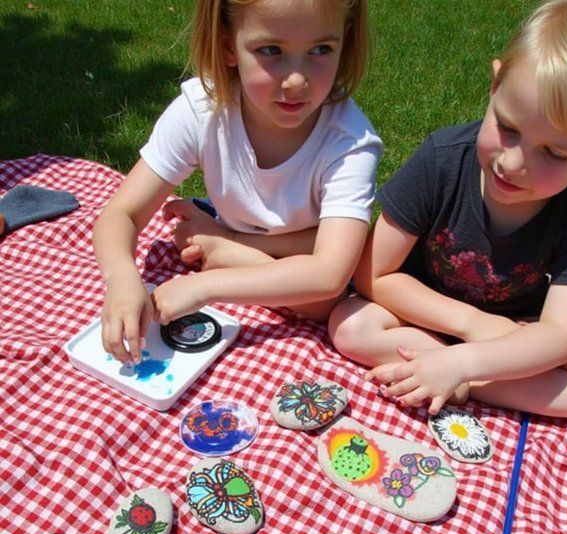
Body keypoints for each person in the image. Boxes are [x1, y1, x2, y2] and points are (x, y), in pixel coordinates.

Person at [93, 0, 382, 364]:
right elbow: (122, 213)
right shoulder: (203, 109)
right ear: (229, 46)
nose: (296, 79)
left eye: (321, 50)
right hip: (283, 261)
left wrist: (207, 281)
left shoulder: (349, 142)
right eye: (271, 51)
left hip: (313, 267)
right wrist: (121, 278)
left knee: (327, 305)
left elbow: (328, 278)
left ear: (346, 40)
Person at [328, 0, 567, 418]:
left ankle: (452, 376)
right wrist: (470, 326)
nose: (513, 164)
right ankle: (445, 370)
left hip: (515, 342)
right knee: (351, 324)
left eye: (554, 153)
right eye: (509, 129)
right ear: (495, 86)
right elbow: (372, 273)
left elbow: (561, 334)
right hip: (422, 318)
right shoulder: (443, 160)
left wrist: (466, 364)